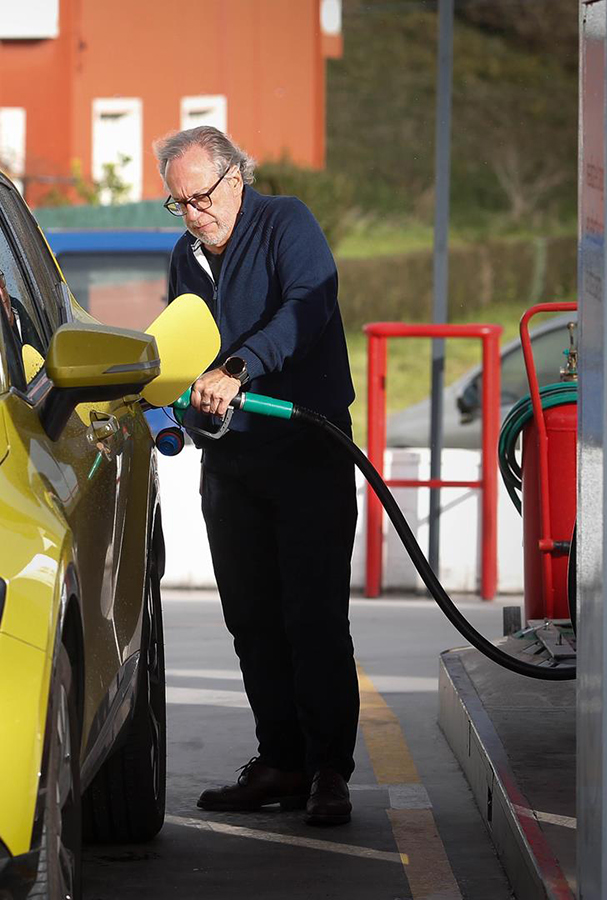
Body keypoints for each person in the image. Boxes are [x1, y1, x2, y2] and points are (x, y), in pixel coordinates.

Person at [157, 126, 359, 826]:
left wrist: (239, 368)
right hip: (233, 461)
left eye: (201, 196)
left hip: (307, 447)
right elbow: (182, 347)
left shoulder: (287, 224)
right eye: (179, 203)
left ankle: (330, 769)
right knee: (251, 618)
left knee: (313, 617)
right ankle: (282, 760)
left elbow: (307, 307)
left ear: (236, 180)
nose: (192, 213)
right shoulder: (185, 261)